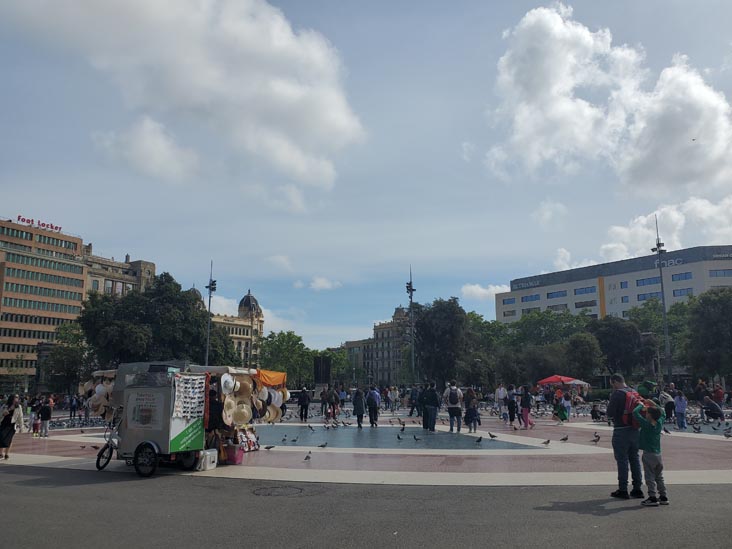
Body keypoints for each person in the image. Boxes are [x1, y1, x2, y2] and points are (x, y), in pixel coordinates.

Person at [606, 374, 644, 499]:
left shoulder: (617, 394)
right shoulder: (633, 391)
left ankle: (623, 489)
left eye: (612, 384)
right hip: (635, 430)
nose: (613, 386)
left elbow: (610, 413)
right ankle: (637, 489)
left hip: (621, 430)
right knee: (635, 458)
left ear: (615, 382)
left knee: (622, 460)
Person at [633, 399, 669, 506]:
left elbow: (635, 413)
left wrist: (640, 405)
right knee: (659, 476)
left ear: (649, 415)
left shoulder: (646, 425)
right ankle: (663, 496)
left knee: (649, 476)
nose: (645, 414)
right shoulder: (659, 423)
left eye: (647, 412)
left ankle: (652, 497)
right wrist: (653, 403)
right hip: (658, 454)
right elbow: (663, 412)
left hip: (648, 454)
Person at [1, 394, 23, 459]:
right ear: (12, 399)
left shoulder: (19, 407)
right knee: (1, 438)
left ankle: (6, 454)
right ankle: (0, 453)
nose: (17, 399)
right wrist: (10, 409)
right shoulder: (5, 406)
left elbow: (20, 417)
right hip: (3, 424)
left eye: (17, 398)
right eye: (16, 397)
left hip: (12, 425)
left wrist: (21, 427)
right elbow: (1, 414)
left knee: (9, 440)